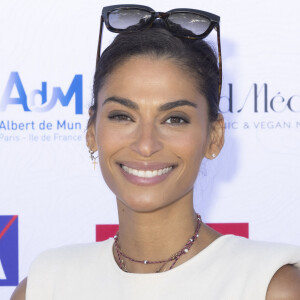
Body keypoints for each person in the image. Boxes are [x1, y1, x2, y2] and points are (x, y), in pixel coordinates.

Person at [11, 5, 300, 300]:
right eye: (122, 116)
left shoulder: (270, 286)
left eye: (175, 119)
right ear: (91, 132)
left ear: (214, 137)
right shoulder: (45, 287)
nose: (146, 144)